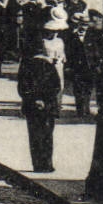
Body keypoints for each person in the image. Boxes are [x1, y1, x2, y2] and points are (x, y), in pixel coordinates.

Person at [16, 43, 63, 174]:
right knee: (47, 135)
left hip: (31, 106)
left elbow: (22, 87)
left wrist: (34, 99)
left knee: (34, 136)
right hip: (48, 107)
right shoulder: (50, 66)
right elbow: (56, 87)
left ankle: (37, 165)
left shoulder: (26, 66)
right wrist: (45, 100)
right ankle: (47, 164)